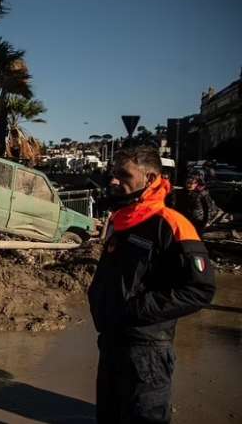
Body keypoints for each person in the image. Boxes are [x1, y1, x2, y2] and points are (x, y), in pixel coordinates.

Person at [88, 146, 216, 424]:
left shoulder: (171, 224)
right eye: (113, 174)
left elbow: (200, 289)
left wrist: (136, 310)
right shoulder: (120, 221)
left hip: (146, 350)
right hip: (111, 341)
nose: (113, 181)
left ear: (150, 178)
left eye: (123, 175)